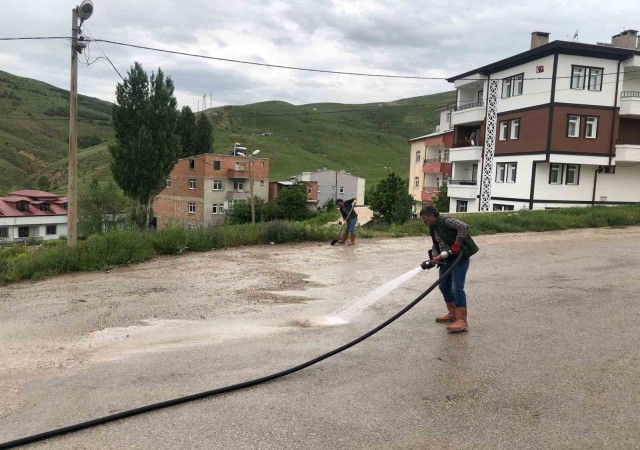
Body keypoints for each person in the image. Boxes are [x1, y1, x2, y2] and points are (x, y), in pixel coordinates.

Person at [420, 205, 479, 333]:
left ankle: (462, 320)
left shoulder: (445, 220)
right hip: (446, 259)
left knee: (456, 288)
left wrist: (457, 244)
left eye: (424, 218)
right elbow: (436, 244)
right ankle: (452, 313)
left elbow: (463, 227)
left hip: (459, 258)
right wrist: (435, 257)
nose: (423, 221)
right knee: (443, 286)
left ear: (432, 216)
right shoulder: (433, 227)